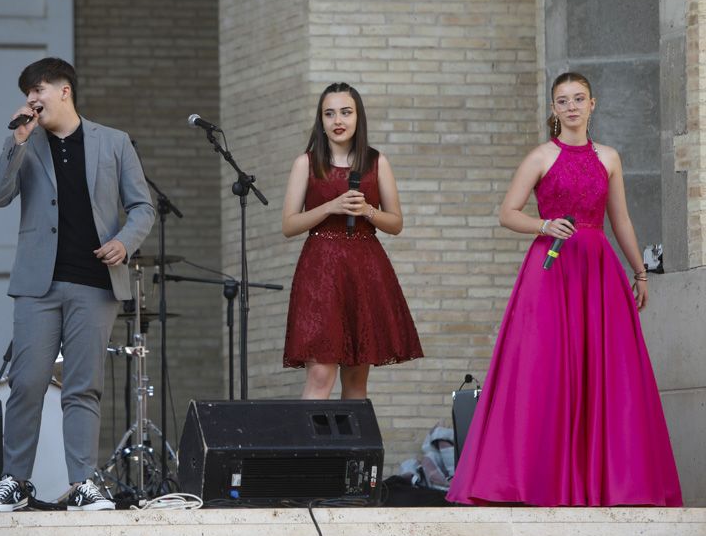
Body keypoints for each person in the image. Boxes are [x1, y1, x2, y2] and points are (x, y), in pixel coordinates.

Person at [446, 72, 683, 506]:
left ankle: (608, 485)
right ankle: (531, 481)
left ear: (593, 104)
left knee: (606, 373)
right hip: (550, 269)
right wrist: (542, 224)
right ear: (553, 109)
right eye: (562, 100)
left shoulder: (610, 157)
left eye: (578, 99)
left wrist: (640, 272)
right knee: (544, 369)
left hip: (597, 269)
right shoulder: (540, 156)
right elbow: (507, 212)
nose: (571, 106)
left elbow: (621, 220)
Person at [0, 57, 154, 512]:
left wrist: (124, 242)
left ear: (65, 90)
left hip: (95, 284)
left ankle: (83, 483)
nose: (31, 99)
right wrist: (16, 142)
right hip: (37, 286)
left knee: (83, 387)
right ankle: (15, 480)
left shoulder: (113, 142)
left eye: (38, 88)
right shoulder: (26, 141)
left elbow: (143, 207)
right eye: (27, 92)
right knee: (28, 383)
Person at [282, 82, 423, 399]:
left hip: (364, 269)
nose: (337, 121)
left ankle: (351, 451)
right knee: (320, 373)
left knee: (357, 380)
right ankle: (309, 449)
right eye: (329, 114)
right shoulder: (305, 163)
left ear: (358, 117)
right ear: (321, 120)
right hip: (320, 270)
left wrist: (369, 211)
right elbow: (289, 225)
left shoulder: (376, 162)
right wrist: (329, 207)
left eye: (345, 112)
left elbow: (396, 223)